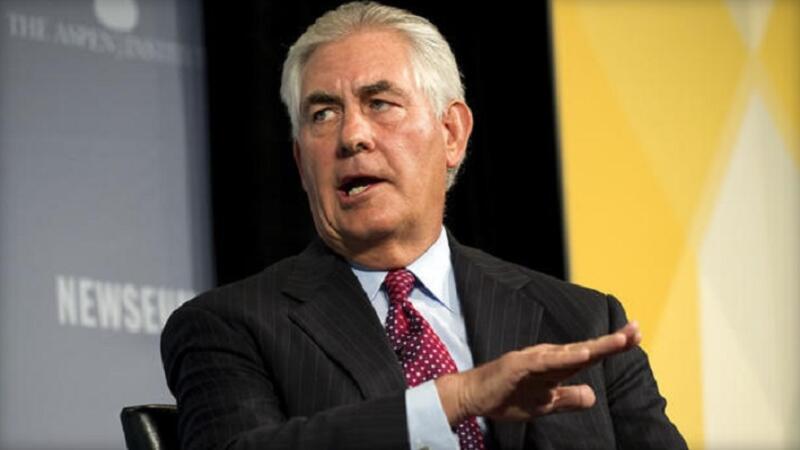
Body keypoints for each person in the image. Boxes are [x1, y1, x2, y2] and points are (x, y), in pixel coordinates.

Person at [161, 2, 687, 449]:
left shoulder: (582, 321)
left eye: (380, 103)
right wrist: (458, 398)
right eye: (323, 114)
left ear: (451, 133)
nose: (352, 136)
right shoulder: (229, 326)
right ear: (301, 163)